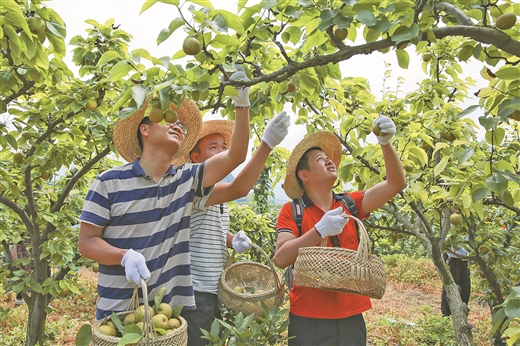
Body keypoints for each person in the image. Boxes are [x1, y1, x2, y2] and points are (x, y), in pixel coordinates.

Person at [78, 70, 252, 320]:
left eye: (181, 124)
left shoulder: (186, 181)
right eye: (168, 119)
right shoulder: (108, 183)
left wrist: (242, 103)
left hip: (166, 315)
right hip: (117, 313)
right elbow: (87, 242)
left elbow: (235, 156)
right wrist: (123, 256)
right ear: (145, 130)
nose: (177, 125)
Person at [273, 116, 407, 346]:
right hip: (308, 317)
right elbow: (282, 257)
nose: (328, 161)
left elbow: (396, 183)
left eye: (328, 158)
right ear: (303, 175)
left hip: (350, 315)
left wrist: (386, 143)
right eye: (319, 159)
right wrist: (319, 230)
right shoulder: (293, 211)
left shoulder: (350, 204)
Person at [174, 112, 290, 345]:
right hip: (195, 289)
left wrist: (230, 239)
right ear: (195, 157)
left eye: (224, 146)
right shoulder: (193, 186)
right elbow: (240, 188)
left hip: (210, 287)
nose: (221, 151)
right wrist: (266, 145)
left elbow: (200, 228)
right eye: (213, 147)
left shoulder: (215, 193)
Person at [441, 236, 471, 316]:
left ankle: (462, 315)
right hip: (452, 258)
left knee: (465, 289)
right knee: (450, 287)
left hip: (465, 258)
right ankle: (446, 316)